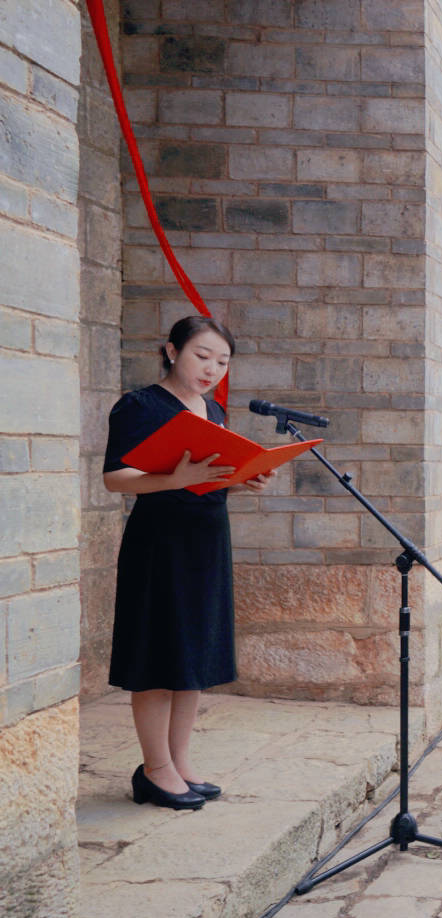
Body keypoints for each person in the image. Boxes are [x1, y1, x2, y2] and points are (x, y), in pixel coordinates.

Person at [103, 316, 276, 811]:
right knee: (158, 655)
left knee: (192, 655)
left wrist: (242, 479)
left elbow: (207, 474)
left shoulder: (213, 408)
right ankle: (153, 769)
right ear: (172, 350)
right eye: (202, 356)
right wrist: (175, 480)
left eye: (222, 362)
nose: (212, 369)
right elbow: (115, 479)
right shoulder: (139, 405)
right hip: (159, 545)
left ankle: (179, 762)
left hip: (205, 542)